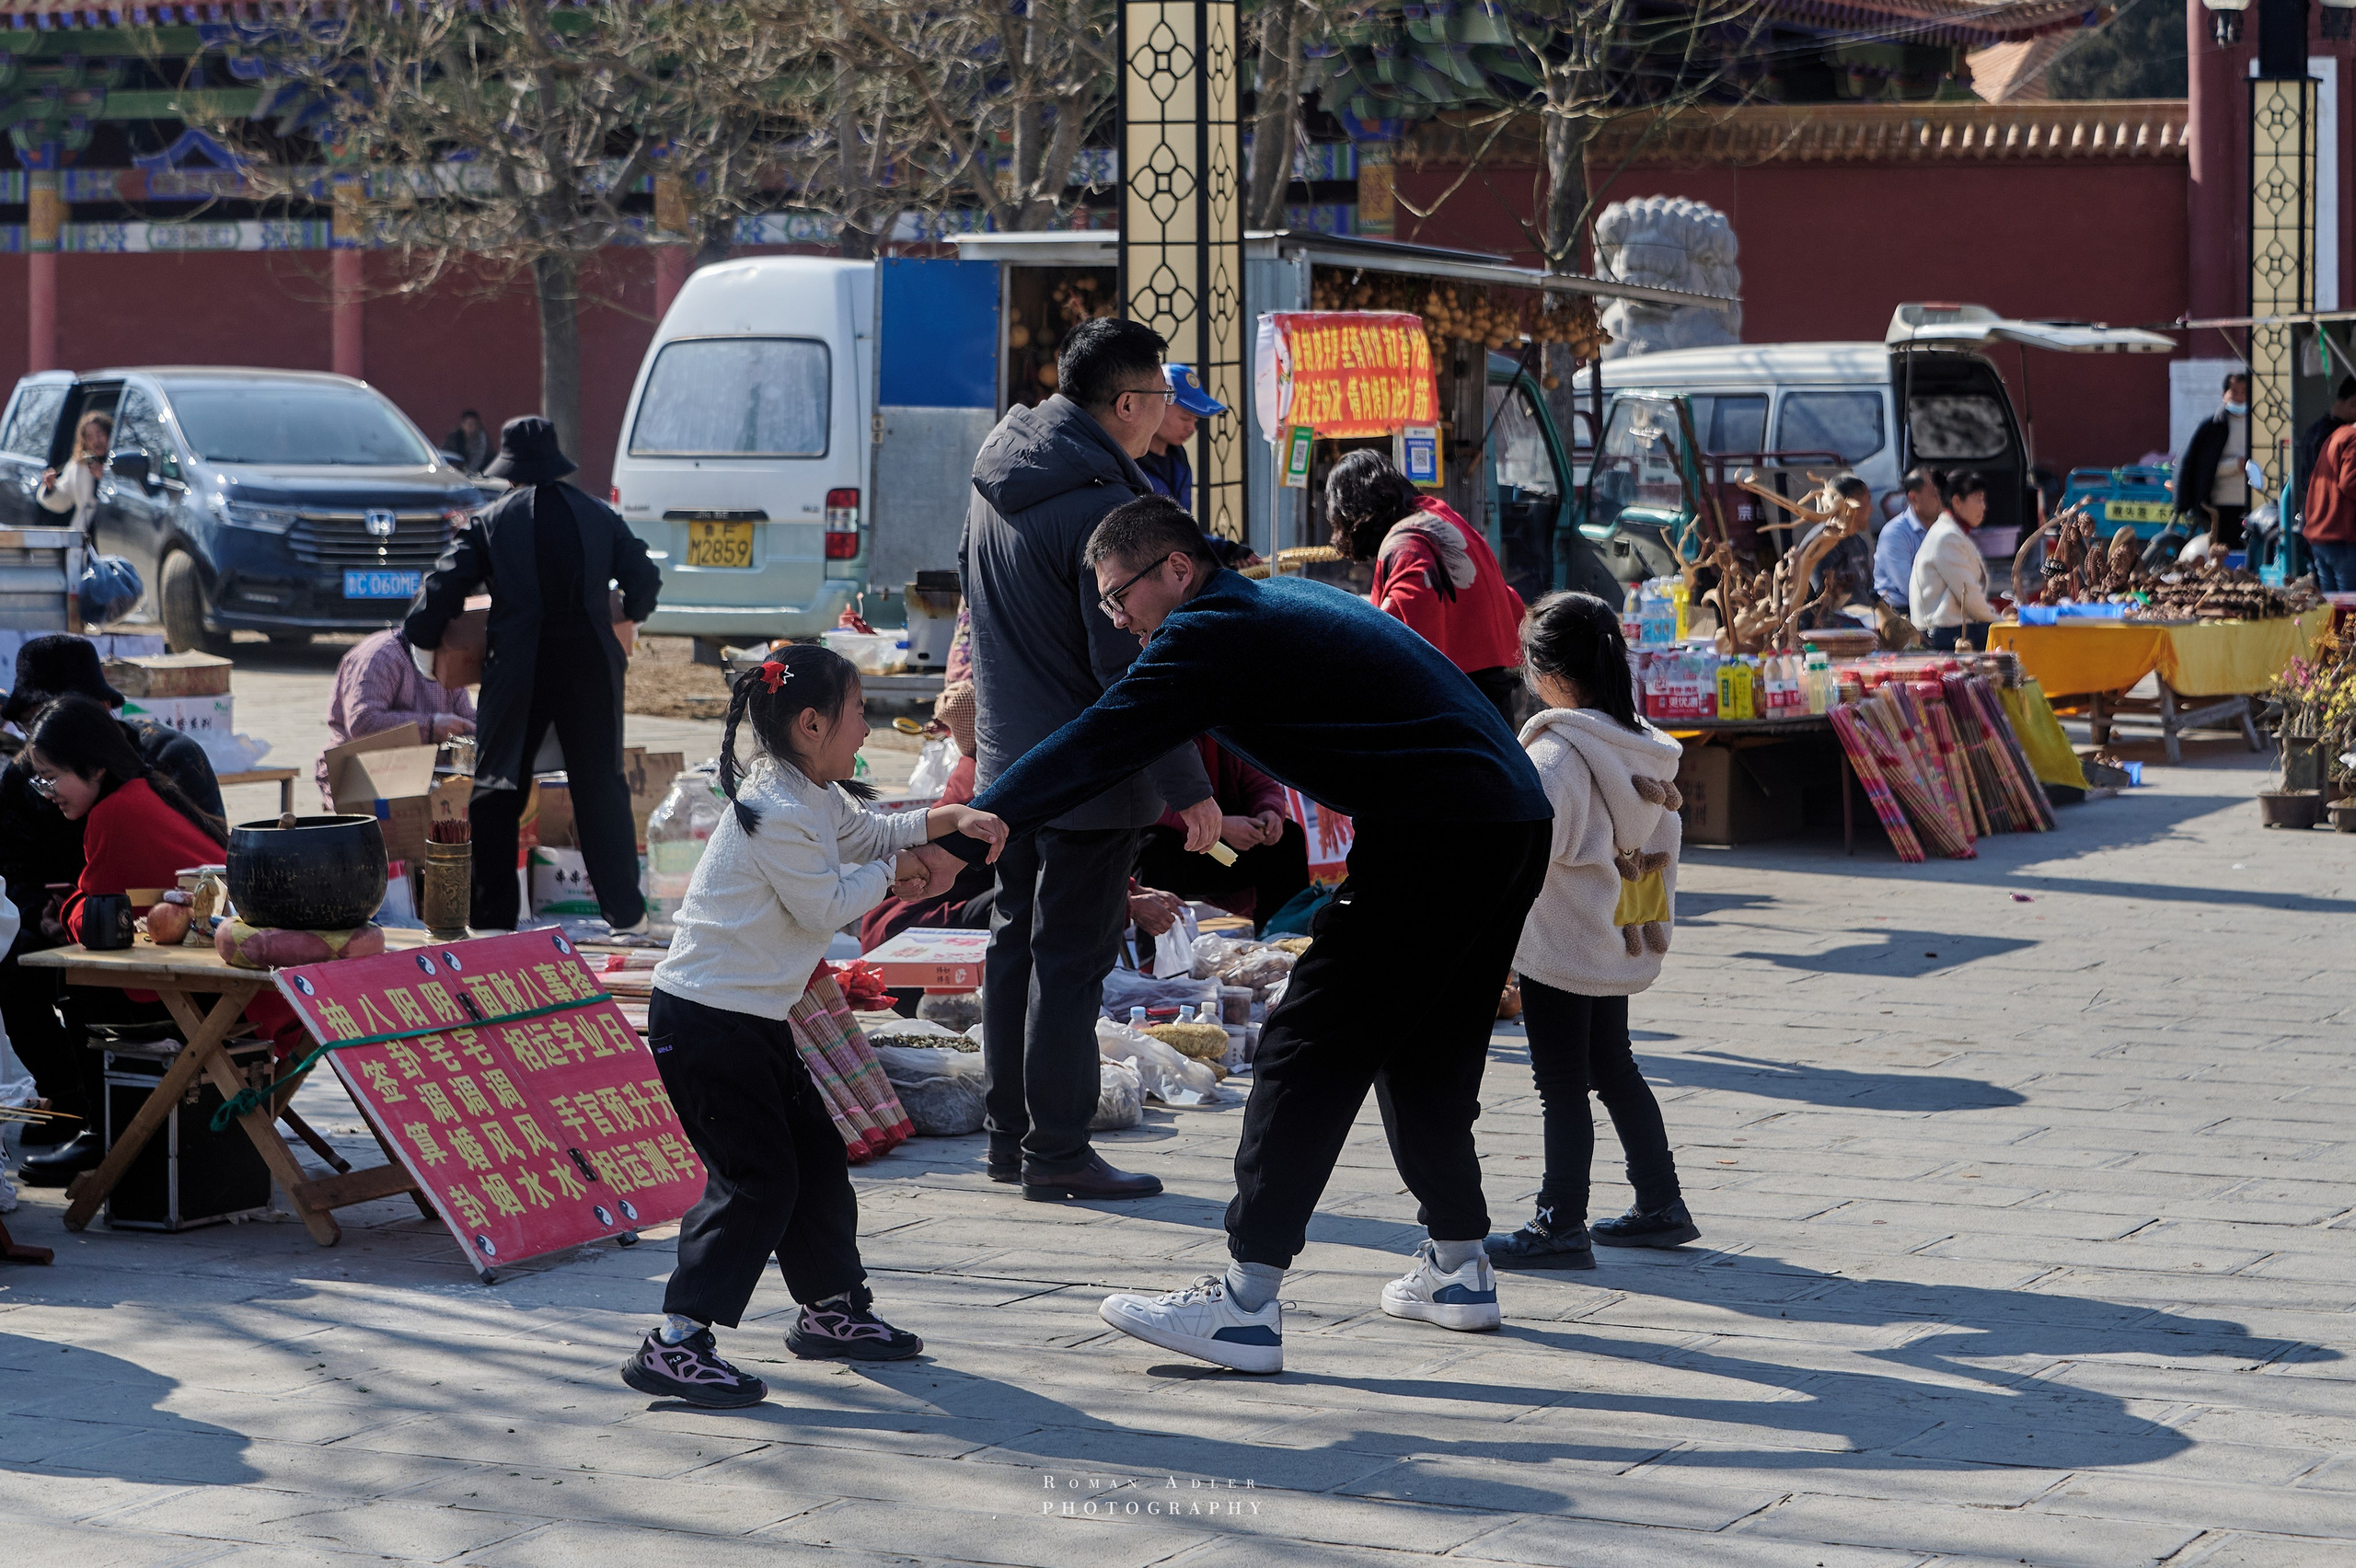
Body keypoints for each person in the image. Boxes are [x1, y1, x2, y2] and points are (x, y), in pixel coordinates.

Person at [929, 496, 1553, 1375]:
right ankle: (1459, 1268)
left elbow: (1096, 743)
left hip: (1439, 830)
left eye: (1118, 597)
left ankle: (1245, 1304)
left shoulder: (1212, 629)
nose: (1115, 618)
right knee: (1425, 1050)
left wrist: (961, 835)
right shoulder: (1268, 603)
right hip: (1507, 819)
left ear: (1175, 571)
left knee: (1306, 1047)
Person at [622, 645, 1005, 1407]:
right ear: (810, 722)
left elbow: (868, 836)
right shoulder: (777, 811)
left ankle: (831, 1310)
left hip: (752, 1017)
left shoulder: (809, 792)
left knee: (817, 1163)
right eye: (858, 712)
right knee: (756, 1183)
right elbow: (827, 906)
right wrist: (911, 872)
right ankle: (676, 1341)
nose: (866, 728)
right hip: (705, 1024)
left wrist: (943, 820)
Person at [959, 317, 1216, 1202]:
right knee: (1069, 962)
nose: (1161, 422)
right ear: (1127, 402)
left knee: (1014, 950)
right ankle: (1058, 1150)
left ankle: (1009, 1139)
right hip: (1090, 771)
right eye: (1160, 405)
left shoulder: (1002, 470)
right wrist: (1188, 786)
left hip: (1010, 766)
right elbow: (1135, 665)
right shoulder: (1104, 504)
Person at [1483, 593, 1697, 1271]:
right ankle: (1661, 1202)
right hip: (1612, 935)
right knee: (1613, 1067)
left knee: (1561, 1083)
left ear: (1547, 673)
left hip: (1562, 945)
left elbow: (1522, 860)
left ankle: (1560, 1221)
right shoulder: (1638, 747)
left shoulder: (1558, 757)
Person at [405, 417, 661, 935]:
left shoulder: (491, 521)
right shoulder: (599, 516)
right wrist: (626, 609)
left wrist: (423, 635)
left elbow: (443, 588)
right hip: (592, 665)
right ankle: (627, 917)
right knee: (600, 788)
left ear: (510, 470)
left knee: (498, 787)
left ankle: (492, 920)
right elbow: (644, 579)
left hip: (519, 667)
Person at [0, 635, 223, 1161]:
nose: (44, 786)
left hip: (172, 945)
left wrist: (75, 909)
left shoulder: (149, 774)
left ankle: (107, 1131)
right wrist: (44, 914)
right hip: (114, 930)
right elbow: (16, 874)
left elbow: (111, 909)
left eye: (52, 776)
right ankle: (71, 1096)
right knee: (16, 955)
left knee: (89, 978)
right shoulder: (38, 779)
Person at [1325, 450, 1527, 729]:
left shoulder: (1405, 543)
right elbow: (1508, 600)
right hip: (1493, 700)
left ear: (1352, 513)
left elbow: (1396, 642)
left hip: (1459, 713)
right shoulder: (1437, 513)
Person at [1131, 738, 1309, 933]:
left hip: (1223, 848)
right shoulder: (1158, 727)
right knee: (1154, 844)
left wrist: (1269, 812)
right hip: (1176, 853)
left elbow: (1262, 784)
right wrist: (1220, 826)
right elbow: (1148, 809)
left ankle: (1284, 940)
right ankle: (1155, 959)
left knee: (1288, 838)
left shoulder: (1227, 729)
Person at [315, 627, 477, 807]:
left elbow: (468, 719)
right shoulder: (381, 655)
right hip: (361, 770)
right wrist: (431, 726)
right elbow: (363, 722)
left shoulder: (446, 656)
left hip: (423, 768)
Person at [1910, 470, 2002, 652]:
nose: (1984, 507)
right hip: (1946, 634)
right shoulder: (1947, 537)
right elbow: (1969, 595)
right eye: (1978, 499)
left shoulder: (1953, 532)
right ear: (1957, 502)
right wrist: (2000, 621)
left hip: (1955, 629)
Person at [2177, 371, 2254, 551]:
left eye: (2244, 392)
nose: (2240, 397)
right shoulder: (2212, 426)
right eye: (2234, 391)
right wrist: (2235, 466)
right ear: (2224, 394)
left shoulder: (2258, 424)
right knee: (2223, 553)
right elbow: (2201, 467)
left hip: (2254, 503)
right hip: (2221, 504)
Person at [1795, 473, 1876, 628]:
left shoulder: (1858, 542)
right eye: (1867, 501)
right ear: (1852, 503)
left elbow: (1868, 590)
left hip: (1862, 621)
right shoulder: (1823, 542)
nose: (1871, 509)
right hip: (1823, 628)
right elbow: (1826, 600)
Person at [1873, 467, 1940, 619]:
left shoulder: (1943, 528)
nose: (1942, 500)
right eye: (1935, 495)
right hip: (1898, 612)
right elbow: (1911, 588)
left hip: (1935, 607)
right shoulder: (1895, 533)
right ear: (1914, 498)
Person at [2302, 416, 2356, 593]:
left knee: (2331, 606)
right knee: (2349, 607)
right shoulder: (2353, 439)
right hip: (2341, 536)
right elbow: (2350, 483)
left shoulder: (2338, 435)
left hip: (2321, 534)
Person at [37, 410, 112, 534]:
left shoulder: (121, 461)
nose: (96, 441)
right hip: (87, 532)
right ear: (85, 442)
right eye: (90, 437)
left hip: (113, 532)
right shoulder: (79, 465)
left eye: (100, 434)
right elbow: (64, 500)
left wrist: (104, 477)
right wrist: (50, 487)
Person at [443, 409, 492, 476]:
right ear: (463, 424)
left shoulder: (482, 440)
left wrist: (468, 473)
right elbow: (446, 452)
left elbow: (478, 459)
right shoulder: (454, 437)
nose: (473, 428)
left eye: (475, 424)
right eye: (470, 425)